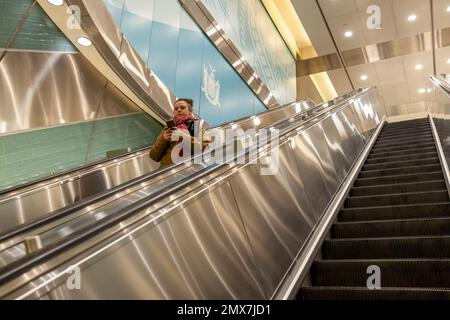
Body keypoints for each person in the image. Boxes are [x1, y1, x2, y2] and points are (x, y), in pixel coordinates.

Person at [150, 98, 210, 167]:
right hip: (166, 171)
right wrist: (163, 139)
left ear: (190, 111)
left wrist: (183, 136)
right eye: (176, 109)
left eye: (182, 107)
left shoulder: (198, 128)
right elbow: (154, 157)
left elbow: (206, 150)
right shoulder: (168, 129)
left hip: (188, 172)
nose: (179, 110)